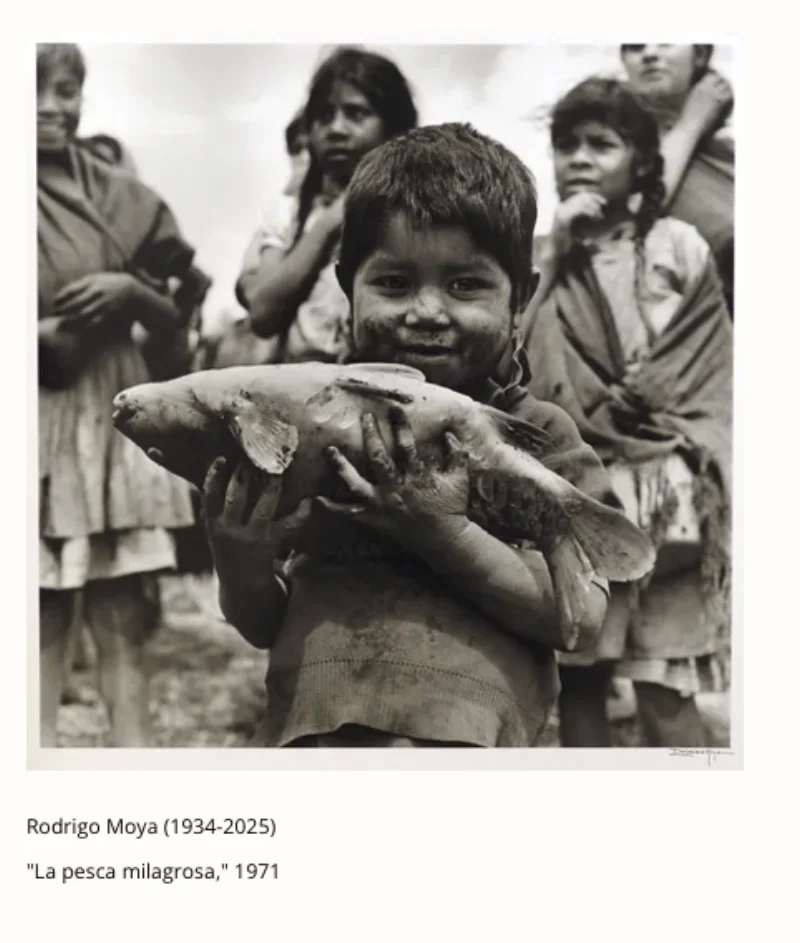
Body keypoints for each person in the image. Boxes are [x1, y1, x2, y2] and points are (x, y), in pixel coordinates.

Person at [202, 123, 613, 749]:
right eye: (393, 283)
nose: (426, 312)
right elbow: (264, 624)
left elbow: (577, 622)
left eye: (465, 285)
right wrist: (239, 563)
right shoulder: (311, 429)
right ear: (348, 287)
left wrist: (440, 533)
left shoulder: (537, 438)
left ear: (521, 298)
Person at [523, 78, 732, 748]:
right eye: (567, 145)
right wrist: (555, 255)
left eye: (601, 144)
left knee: (666, 687)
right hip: (579, 491)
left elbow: (702, 356)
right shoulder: (541, 258)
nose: (580, 158)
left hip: (668, 493)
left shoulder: (677, 245)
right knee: (581, 679)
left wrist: (636, 400)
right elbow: (511, 360)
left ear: (641, 162)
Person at [37, 43, 198, 747]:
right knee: (38, 617)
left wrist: (133, 292)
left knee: (125, 616)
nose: (49, 107)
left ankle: (134, 765)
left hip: (114, 416)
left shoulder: (122, 197)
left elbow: (179, 305)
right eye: (29, 89)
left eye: (64, 90)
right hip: (35, 415)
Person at [236, 46, 418, 365]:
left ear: (393, 127)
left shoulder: (415, 206)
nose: (336, 129)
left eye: (356, 114)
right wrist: (329, 224)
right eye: (324, 117)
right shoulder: (290, 213)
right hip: (302, 382)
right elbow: (263, 314)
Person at [620, 44, 734, 316]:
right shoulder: (614, 145)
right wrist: (692, 121)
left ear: (700, 55)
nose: (649, 53)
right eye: (635, 46)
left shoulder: (729, 150)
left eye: (666, 41)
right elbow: (633, 214)